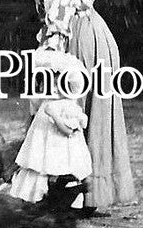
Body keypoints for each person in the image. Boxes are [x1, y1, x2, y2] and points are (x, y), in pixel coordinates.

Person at [23, 0, 135, 212]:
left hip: (81, 38)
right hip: (68, 33)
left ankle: (83, 194)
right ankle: (61, 190)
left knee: (70, 111)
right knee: (60, 112)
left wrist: (47, 59)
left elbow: (58, 15)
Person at [10, 50, 91, 207]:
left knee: (57, 168)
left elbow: (68, 131)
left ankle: (61, 198)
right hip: (42, 142)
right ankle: (35, 198)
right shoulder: (45, 103)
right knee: (37, 166)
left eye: (57, 84)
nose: (53, 88)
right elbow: (35, 108)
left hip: (60, 148)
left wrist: (55, 116)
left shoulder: (68, 106)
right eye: (50, 83)